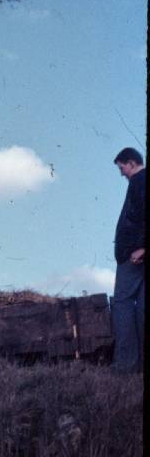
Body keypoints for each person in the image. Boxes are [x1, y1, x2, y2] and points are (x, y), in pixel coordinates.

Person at [112, 147, 145, 373]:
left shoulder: (138, 182)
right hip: (139, 253)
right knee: (142, 308)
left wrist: (142, 248)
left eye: (122, 167)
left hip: (133, 256)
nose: (121, 172)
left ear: (131, 163)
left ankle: (126, 366)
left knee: (122, 305)